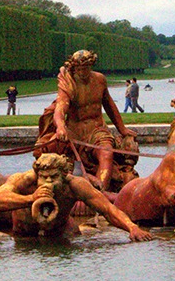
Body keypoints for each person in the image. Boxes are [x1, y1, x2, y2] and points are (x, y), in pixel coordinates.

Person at [33, 50, 138, 192]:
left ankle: (101, 192)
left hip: (97, 130)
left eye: (86, 69)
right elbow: (60, 110)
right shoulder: (69, 83)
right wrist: (60, 127)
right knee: (47, 151)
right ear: (74, 68)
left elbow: (109, 105)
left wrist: (122, 129)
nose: (82, 73)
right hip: (74, 130)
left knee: (106, 152)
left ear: (91, 66)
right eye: (79, 69)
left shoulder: (100, 80)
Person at [0, 153, 152, 241]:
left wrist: (132, 228)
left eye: (53, 177)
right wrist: (31, 198)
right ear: (37, 174)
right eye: (44, 177)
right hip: (25, 231)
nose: (49, 181)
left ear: (64, 174)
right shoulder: (24, 180)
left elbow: (108, 209)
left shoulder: (74, 185)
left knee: (72, 235)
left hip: (59, 230)